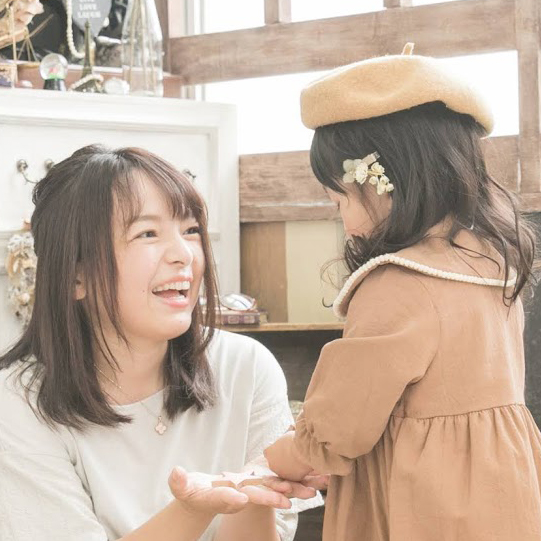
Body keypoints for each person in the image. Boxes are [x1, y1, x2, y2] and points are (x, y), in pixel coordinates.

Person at [264, 44, 541, 541]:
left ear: (382, 183)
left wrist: (282, 455)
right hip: (504, 497)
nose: (345, 223)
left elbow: (342, 425)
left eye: (339, 201)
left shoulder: (397, 284)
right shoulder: (493, 268)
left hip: (420, 507)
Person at [0, 144, 322, 541]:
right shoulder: (18, 404)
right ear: (76, 276)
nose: (183, 254)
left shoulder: (246, 367)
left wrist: (252, 493)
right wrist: (191, 511)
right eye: (147, 233)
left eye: (190, 230)